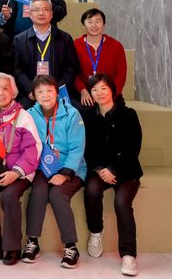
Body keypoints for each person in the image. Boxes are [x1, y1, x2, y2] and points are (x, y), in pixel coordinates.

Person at [82, 73, 143, 277]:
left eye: (103, 88)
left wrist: (114, 169)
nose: (99, 93)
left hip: (126, 170)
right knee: (91, 189)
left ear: (112, 90)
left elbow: (133, 148)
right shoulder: (88, 117)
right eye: (94, 89)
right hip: (99, 169)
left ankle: (128, 255)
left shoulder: (129, 114)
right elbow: (87, 149)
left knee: (121, 202)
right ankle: (95, 232)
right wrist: (101, 169)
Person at [23, 76, 86, 268]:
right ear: (33, 95)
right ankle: (32, 242)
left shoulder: (72, 114)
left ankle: (71, 247)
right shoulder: (29, 115)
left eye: (49, 91)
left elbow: (77, 148)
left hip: (71, 167)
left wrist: (65, 173)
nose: (45, 95)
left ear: (57, 92)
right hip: (42, 166)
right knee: (39, 191)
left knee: (58, 195)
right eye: (40, 92)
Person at [0, 73, 41, 266]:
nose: (0, 92)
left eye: (5, 88)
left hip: (18, 172)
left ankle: (12, 247)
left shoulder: (24, 116)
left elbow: (33, 148)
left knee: (8, 196)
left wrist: (16, 172)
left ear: (13, 92)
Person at [12, 0, 79, 108]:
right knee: (20, 111)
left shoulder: (65, 38)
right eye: (36, 10)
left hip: (59, 92)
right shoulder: (19, 40)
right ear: (30, 14)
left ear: (51, 14)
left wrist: (58, 88)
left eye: (46, 9)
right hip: (30, 94)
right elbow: (16, 68)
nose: (41, 13)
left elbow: (72, 67)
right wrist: (30, 89)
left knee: (77, 110)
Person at [74, 8, 128, 107]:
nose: (94, 25)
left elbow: (121, 75)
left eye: (98, 21)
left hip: (111, 94)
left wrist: (110, 94)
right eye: (89, 22)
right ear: (83, 25)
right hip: (86, 95)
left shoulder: (116, 46)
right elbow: (73, 73)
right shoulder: (75, 45)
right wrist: (82, 90)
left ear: (104, 24)